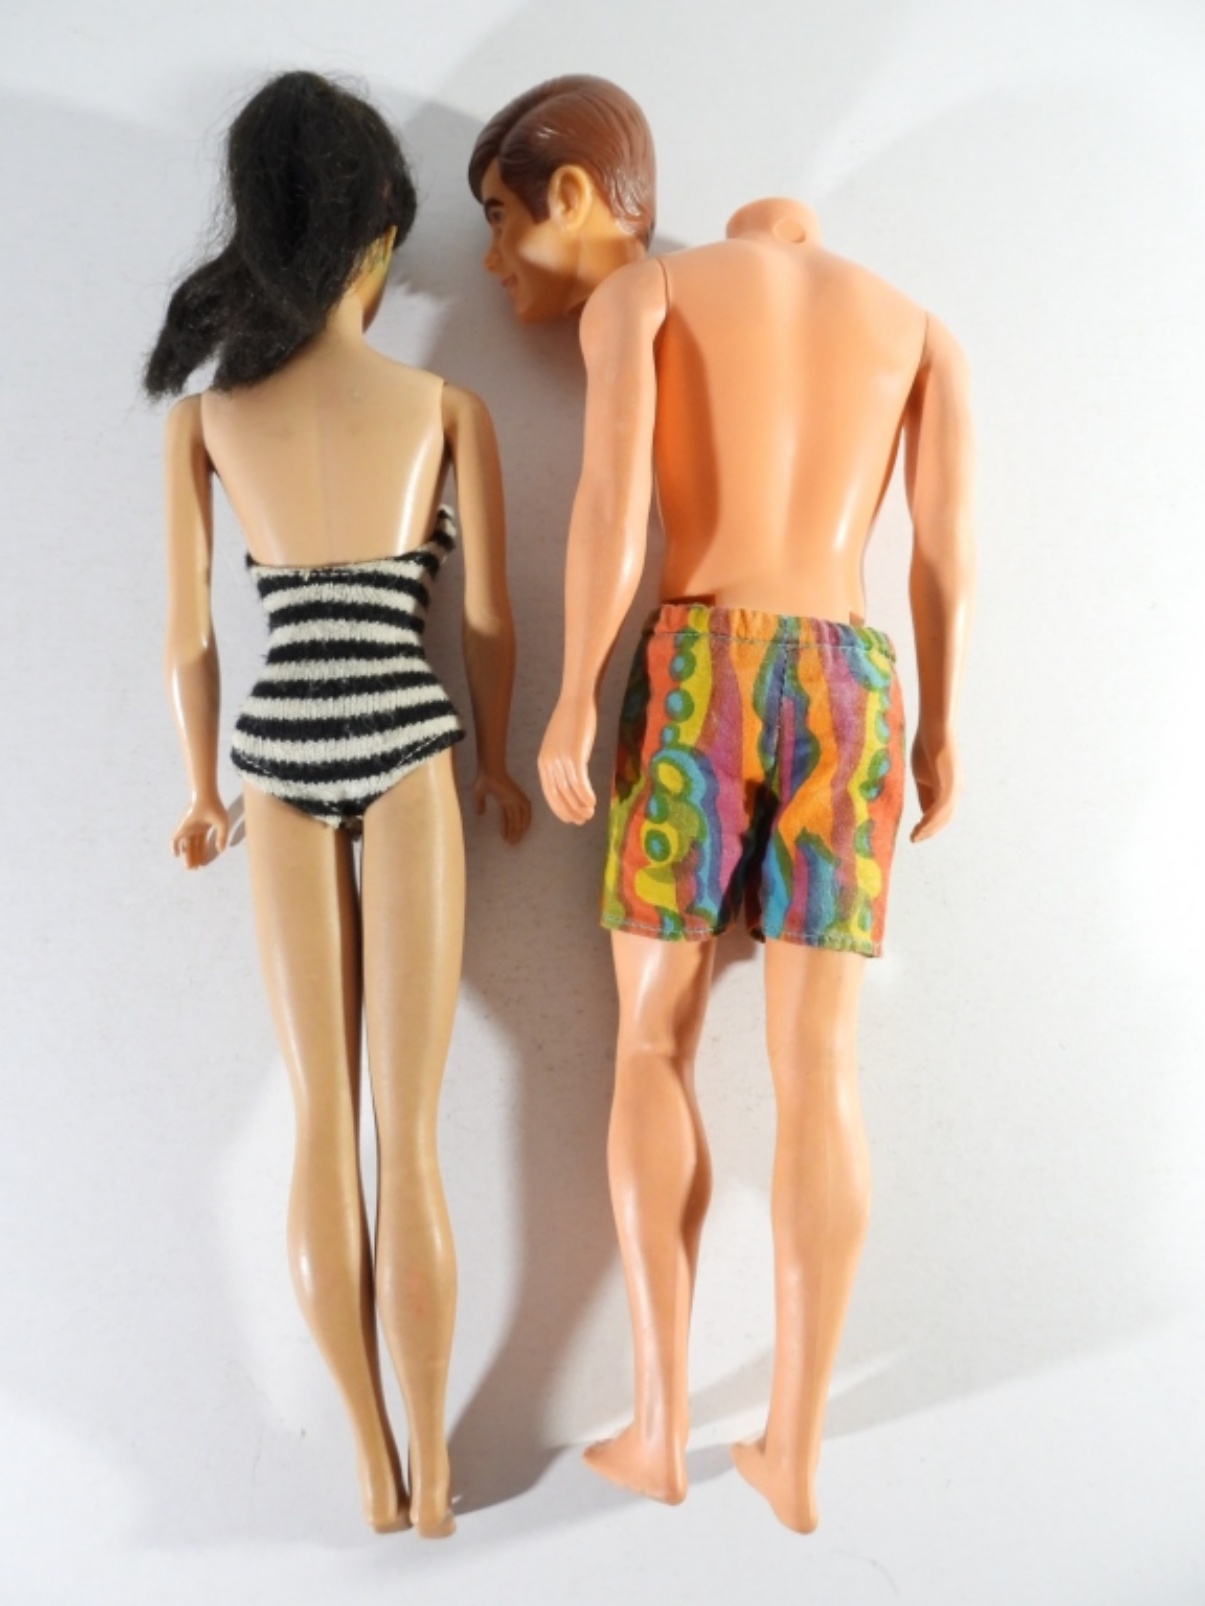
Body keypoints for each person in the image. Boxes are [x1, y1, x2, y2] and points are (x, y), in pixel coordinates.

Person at [470, 76, 973, 1532]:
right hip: (854, 684)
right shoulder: (915, 326)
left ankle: (657, 1425)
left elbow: (611, 506)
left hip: (700, 669)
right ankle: (792, 1448)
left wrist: (574, 694)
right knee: (821, 1067)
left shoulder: (649, 295)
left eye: (501, 221)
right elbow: (940, 552)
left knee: (649, 1040)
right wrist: (942, 724)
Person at [148, 70, 530, 1537]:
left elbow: (189, 637)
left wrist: (202, 789)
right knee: (404, 1130)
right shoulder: (444, 408)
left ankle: (374, 1462)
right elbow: (486, 621)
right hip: (412, 740)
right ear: (374, 229)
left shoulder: (206, 422)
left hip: (277, 751)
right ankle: (427, 1464)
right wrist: (493, 757)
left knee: (326, 1120)